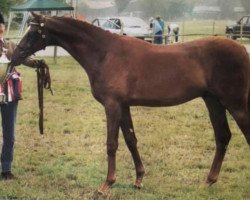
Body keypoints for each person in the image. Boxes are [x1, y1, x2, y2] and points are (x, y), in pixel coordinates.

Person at [0, 12, 49, 179]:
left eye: (0, 25)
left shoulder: (12, 46)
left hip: (9, 95)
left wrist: (38, 64)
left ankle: (6, 169)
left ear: (3, 28)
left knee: (10, 135)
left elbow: (25, 59)